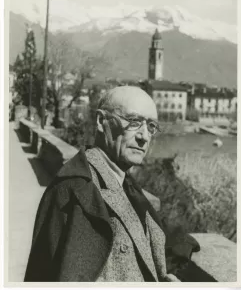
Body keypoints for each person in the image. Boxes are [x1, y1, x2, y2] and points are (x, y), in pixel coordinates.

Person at [24, 86, 200, 282]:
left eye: (151, 126)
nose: (144, 137)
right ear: (101, 121)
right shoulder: (74, 191)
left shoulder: (126, 184)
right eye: (134, 122)